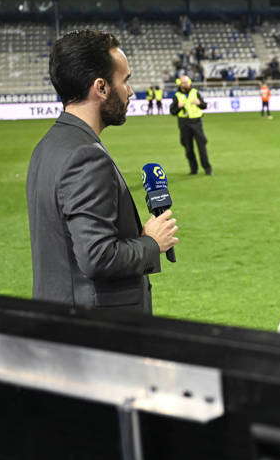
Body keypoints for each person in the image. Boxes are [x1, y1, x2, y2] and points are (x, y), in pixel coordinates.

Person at [27, 30, 178, 313]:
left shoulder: (48, 146)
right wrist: (151, 243)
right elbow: (97, 256)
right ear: (101, 87)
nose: (130, 91)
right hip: (97, 329)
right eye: (126, 80)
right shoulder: (85, 156)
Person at [170, 75, 212, 175]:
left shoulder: (195, 92)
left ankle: (207, 168)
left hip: (197, 123)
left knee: (202, 147)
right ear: (180, 84)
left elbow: (204, 105)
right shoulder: (177, 96)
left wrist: (199, 103)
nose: (187, 84)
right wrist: (179, 107)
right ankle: (194, 169)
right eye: (184, 83)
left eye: (188, 82)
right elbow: (173, 112)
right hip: (184, 123)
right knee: (188, 149)